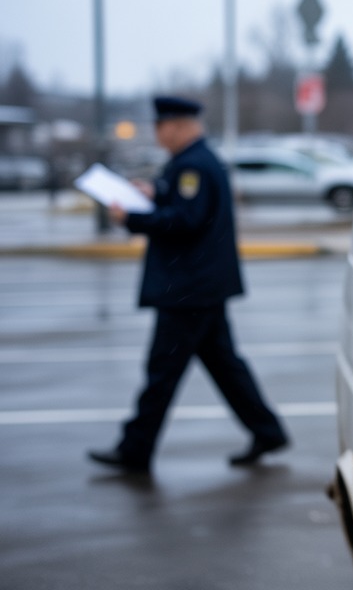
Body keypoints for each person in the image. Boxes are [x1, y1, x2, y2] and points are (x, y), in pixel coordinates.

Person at [89, 96, 288, 473]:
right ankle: (268, 431)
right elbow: (185, 207)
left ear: (177, 125)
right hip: (199, 287)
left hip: (188, 290)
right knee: (225, 366)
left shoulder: (193, 165)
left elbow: (186, 220)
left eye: (160, 127)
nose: (157, 133)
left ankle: (135, 449)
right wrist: (154, 194)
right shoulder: (195, 161)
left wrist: (132, 218)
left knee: (161, 372)